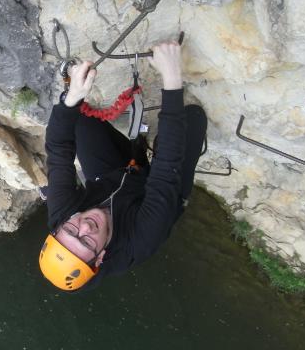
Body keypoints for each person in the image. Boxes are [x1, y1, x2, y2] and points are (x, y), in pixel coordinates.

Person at [38, 41, 207, 291]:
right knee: (192, 118)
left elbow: (58, 150)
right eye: (86, 241)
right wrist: (171, 76)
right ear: (101, 257)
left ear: (59, 228)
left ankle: (135, 151)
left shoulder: (63, 216)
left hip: (111, 179)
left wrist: (72, 95)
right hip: (158, 195)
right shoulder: (139, 241)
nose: (84, 225)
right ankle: (150, 146)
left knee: (79, 121)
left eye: (72, 230)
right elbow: (165, 169)